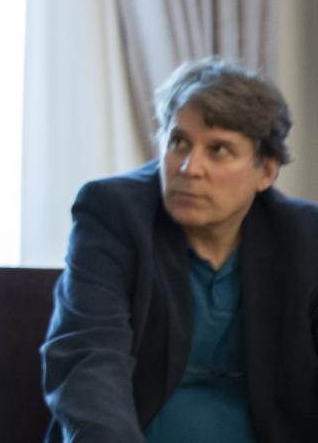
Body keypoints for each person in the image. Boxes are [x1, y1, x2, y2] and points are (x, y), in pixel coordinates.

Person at [42, 58, 318, 442]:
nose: (189, 167)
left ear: (266, 171)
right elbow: (88, 359)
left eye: (218, 149)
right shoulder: (114, 213)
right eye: (178, 142)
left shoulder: (304, 236)